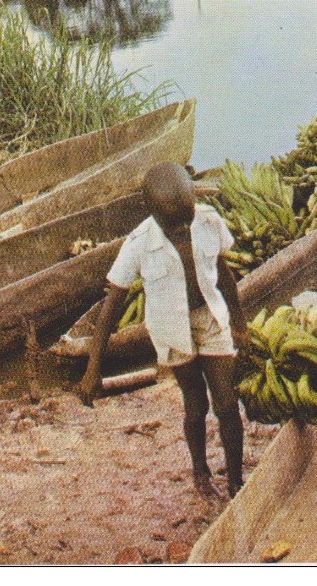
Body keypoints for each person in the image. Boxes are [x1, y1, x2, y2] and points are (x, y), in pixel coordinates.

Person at [77, 161, 249, 498]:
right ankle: (200, 473)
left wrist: (239, 322)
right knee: (195, 405)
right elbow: (111, 307)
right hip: (171, 328)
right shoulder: (139, 242)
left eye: (187, 222)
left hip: (209, 318)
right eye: (175, 226)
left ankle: (236, 480)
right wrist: (92, 368)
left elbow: (223, 273)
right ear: (153, 212)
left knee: (227, 404)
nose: (183, 230)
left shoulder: (207, 219)